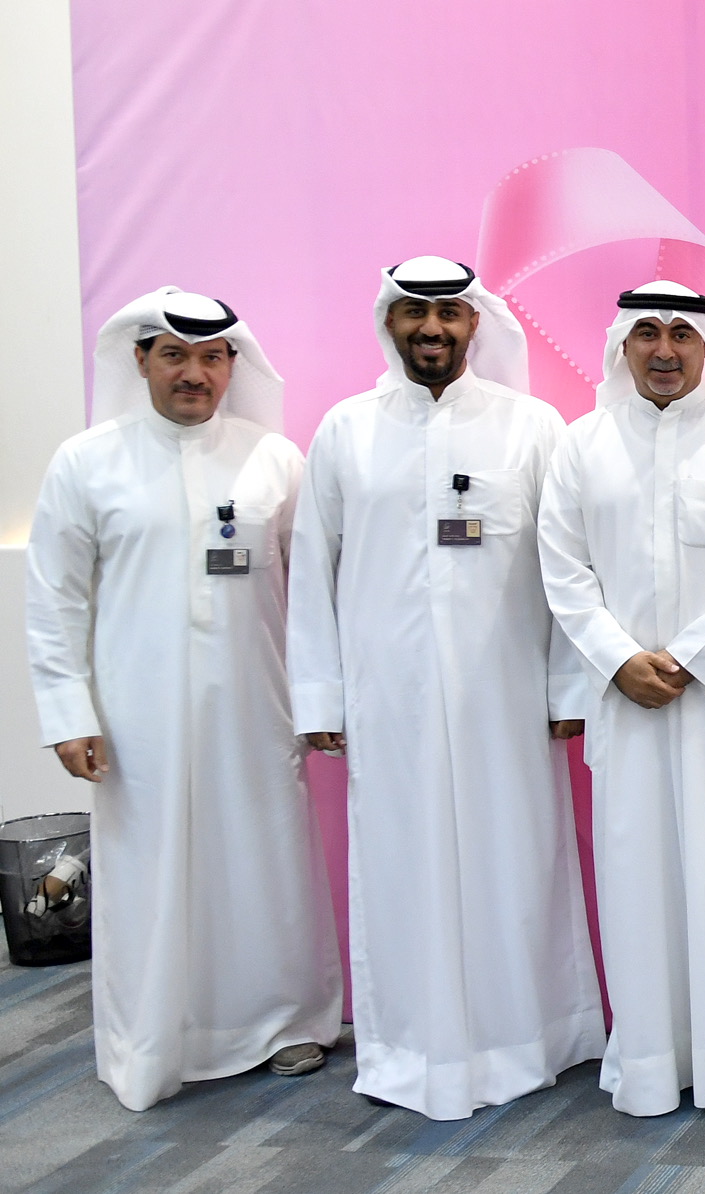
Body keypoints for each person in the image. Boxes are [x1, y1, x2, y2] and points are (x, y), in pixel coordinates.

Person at [287, 258, 604, 1119]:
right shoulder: (345, 431)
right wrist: (318, 698)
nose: (431, 327)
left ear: (475, 325)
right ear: (388, 322)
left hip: (508, 697)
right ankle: (410, 1048)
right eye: (414, 312)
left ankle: (531, 1038)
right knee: (402, 868)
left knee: (517, 861)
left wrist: (566, 687)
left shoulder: (531, 426)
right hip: (386, 699)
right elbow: (312, 570)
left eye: (449, 313)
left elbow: (566, 567)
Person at [26, 288, 341, 1111]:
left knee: (264, 860)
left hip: (256, 705)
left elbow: (316, 594)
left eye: (210, 358)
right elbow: (55, 598)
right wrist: (68, 713)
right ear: (141, 361)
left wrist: (320, 699)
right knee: (148, 870)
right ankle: (154, 1034)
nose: (193, 374)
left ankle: (285, 1021)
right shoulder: (87, 461)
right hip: (137, 715)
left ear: (233, 365)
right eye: (173, 356)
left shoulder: (274, 460)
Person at [537, 281, 705, 1116]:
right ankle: (651, 1062)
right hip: (628, 703)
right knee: (639, 886)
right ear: (622, 345)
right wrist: (618, 659)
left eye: (681, 335)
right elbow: (562, 569)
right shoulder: (582, 444)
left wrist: (689, 657)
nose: (663, 350)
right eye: (647, 333)